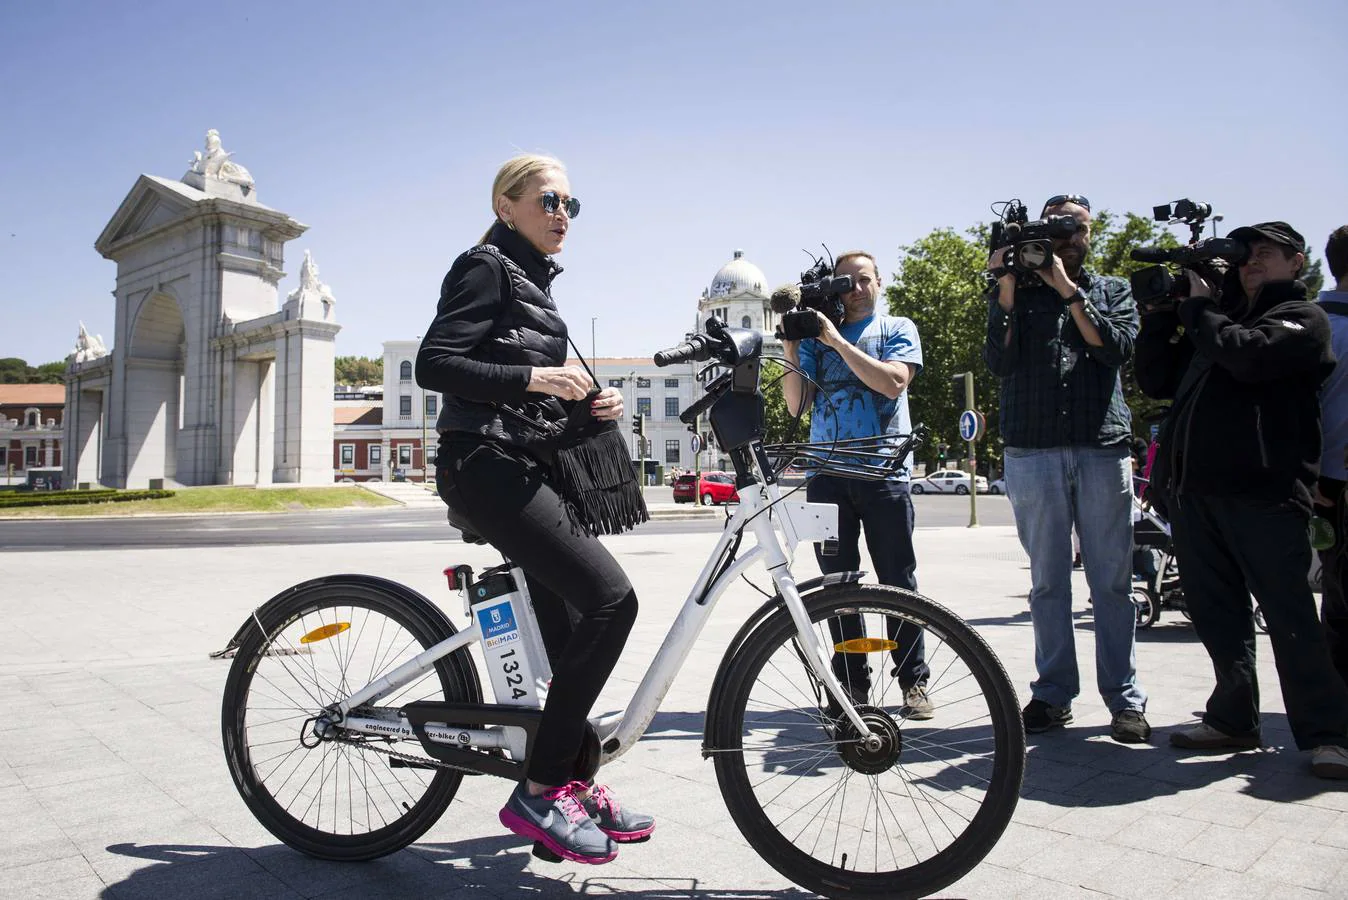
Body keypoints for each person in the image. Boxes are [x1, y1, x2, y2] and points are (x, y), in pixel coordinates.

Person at [415, 154, 654, 863]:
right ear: (506, 204)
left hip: (516, 461)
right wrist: (537, 376)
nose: (561, 216)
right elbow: (436, 363)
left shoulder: (537, 288)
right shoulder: (485, 267)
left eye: (570, 206)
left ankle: (570, 786)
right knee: (613, 600)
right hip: (481, 466)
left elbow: (530, 411)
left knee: (575, 630)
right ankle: (542, 787)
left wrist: (586, 407)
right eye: (548, 201)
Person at [1136, 220, 1348, 778]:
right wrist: (1162, 317)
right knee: (1216, 614)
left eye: (1266, 253)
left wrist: (1202, 310)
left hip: (1265, 495)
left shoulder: (1302, 318)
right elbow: (1157, 380)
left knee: (1290, 618)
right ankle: (1233, 718)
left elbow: (1248, 357)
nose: (1251, 262)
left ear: (1297, 263)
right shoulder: (1218, 318)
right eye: (1245, 254)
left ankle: (1330, 734)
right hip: (1195, 494)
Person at [983, 194, 1150, 744]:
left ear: (1088, 234)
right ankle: (1053, 694)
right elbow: (998, 361)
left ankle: (1124, 700)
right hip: (1032, 449)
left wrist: (1065, 290)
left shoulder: (1109, 289)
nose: (1063, 238)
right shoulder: (1013, 292)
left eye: (1073, 228)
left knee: (1112, 582)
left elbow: (1115, 349)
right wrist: (1004, 284)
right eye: (1053, 228)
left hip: (1101, 446)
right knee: (1047, 581)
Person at [780, 250, 931, 719]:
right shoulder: (814, 339)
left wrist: (836, 341)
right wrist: (791, 346)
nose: (856, 289)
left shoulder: (898, 328)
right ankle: (851, 686)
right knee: (836, 588)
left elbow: (892, 383)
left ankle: (913, 681)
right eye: (846, 282)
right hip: (825, 476)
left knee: (897, 582)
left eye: (864, 280)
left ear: (879, 282)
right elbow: (795, 406)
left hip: (884, 473)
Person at [1315, 225, 1348, 689]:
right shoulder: (1321, 327)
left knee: (1338, 599)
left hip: (1324, 484)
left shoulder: (1314, 323)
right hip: (1332, 487)